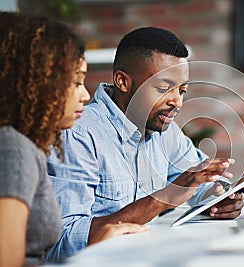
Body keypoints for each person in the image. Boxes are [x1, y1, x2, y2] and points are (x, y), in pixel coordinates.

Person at [46, 26, 244, 261]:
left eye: (182, 91)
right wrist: (164, 197)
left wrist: (219, 197)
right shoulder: (78, 134)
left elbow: (198, 180)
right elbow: (62, 244)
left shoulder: (162, 128)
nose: (177, 102)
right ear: (122, 81)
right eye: (164, 89)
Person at [0, 12, 147, 267]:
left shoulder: (21, 145)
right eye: (76, 81)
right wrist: (92, 254)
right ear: (34, 82)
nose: (86, 95)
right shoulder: (14, 149)